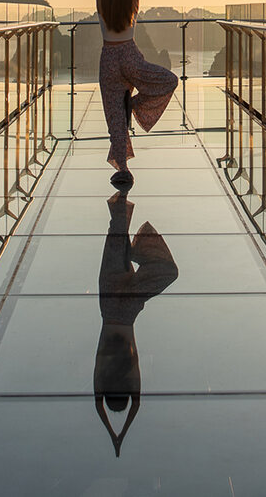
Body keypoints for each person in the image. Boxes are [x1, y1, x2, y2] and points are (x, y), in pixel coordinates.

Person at [95, 0, 177, 188]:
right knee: (168, 81)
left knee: (115, 121)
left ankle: (124, 170)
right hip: (130, 56)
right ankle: (133, 104)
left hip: (109, 59)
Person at [94, 190, 179, 456]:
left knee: (168, 272)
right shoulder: (103, 377)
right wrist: (112, 434)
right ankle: (122, 193)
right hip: (109, 305)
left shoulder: (130, 378)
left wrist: (121, 434)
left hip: (128, 309)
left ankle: (137, 247)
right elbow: (99, 407)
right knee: (115, 239)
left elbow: (136, 404)